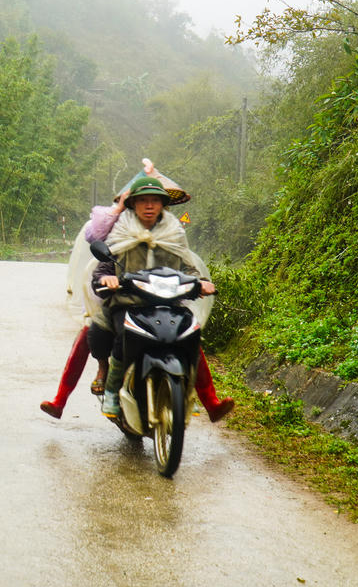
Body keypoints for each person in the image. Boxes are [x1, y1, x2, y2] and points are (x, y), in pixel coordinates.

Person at [40, 166, 234, 421]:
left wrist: (202, 282)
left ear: (164, 205)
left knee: (190, 337)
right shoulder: (120, 229)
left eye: (155, 200)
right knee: (95, 332)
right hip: (126, 303)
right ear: (133, 204)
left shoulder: (174, 232)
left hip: (169, 305)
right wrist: (107, 278)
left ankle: (210, 402)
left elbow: (189, 266)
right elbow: (104, 265)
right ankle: (81, 397)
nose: (149, 206)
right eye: (143, 200)